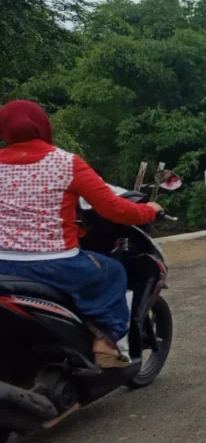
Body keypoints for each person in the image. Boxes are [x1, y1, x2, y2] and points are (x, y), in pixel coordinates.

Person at [0, 100, 162, 368]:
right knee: (112, 273)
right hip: (54, 265)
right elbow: (115, 209)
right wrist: (149, 211)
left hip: (3, 266)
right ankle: (107, 345)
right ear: (44, 126)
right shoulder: (66, 163)